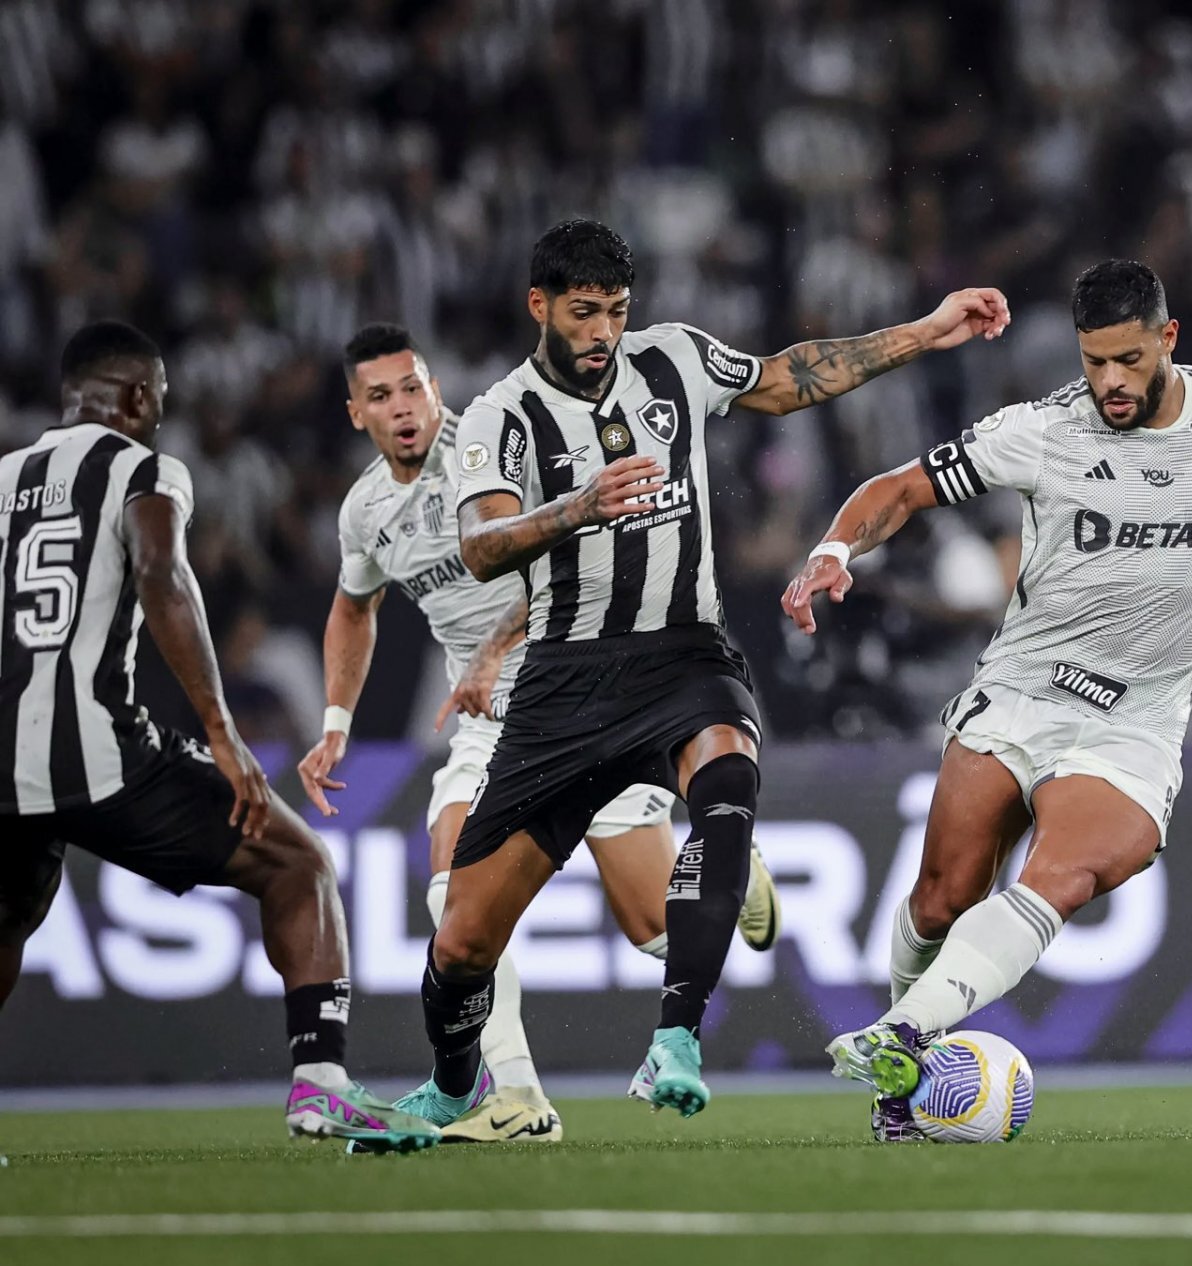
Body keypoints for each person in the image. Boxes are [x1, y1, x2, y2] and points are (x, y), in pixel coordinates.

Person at [420, 218, 1010, 1121]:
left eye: (616, 310)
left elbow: (790, 376)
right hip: (567, 682)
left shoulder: (675, 361)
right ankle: (455, 1086)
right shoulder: (502, 415)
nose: (602, 332)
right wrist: (576, 507)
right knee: (463, 939)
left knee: (729, 773)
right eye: (583, 312)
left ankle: (676, 1039)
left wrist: (926, 331)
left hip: (684, 652)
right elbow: (481, 545)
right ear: (539, 306)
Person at [783, 260, 1192, 1140]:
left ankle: (900, 1033)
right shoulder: (1040, 432)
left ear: (1168, 340)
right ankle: (902, 1088)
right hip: (1022, 691)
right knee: (941, 899)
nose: (1110, 383)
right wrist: (834, 550)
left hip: (1138, 717)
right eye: (1094, 363)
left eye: (1127, 360)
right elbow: (898, 489)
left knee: (1067, 871)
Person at [296, 323, 782, 1143]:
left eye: (413, 387)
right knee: (452, 881)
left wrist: (491, 648)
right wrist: (335, 721)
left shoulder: (498, 445)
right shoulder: (367, 511)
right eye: (381, 397)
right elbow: (354, 606)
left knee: (653, 927)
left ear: (436, 389)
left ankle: (725, 864)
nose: (403, 409)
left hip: (591, 691)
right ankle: (517, 1097)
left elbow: (591, 554)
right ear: (357, 414)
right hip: (500, 727)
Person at [0, 321, 436, 1152]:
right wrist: (222, 730)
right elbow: (163, 573)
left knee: (6, 916)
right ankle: (322, 1085)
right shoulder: (142, 468)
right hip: (96, 746)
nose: (159, 417)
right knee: (299, 863)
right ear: (134, 397)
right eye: (158, 402)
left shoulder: (1, 477)